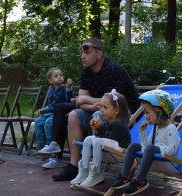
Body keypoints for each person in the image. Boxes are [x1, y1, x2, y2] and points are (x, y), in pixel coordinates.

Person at [52, 38, 140, 181]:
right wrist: (89, 103)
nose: (82, 56)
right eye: (82, 52)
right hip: (101, 111)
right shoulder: (87, 70)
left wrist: (86, 100)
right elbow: (80, 101)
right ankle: (74, 166)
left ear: (99, 54)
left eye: (87, 52)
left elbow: (111, 104)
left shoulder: (112, 69)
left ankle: (96, 171)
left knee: (99, 113)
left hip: (123, 116)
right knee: (73, 115)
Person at [110, 90, 178, 195]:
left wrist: (156, 149)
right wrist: (142, 132)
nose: (145, 116)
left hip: (168, 162)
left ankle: (140, 181)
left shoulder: (171, 128)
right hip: (153, 157)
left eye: (147, 112)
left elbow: (173, 149)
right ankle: (124, 176)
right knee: (133, 146)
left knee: (151, 148)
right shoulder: (156, 127)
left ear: (160, 112)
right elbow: (146, 146)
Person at [70, 90, 131, 188]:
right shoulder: (108, 121)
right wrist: (96, 128)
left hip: (118, 153)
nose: (101, 110)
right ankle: (85, 170)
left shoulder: (119, 124)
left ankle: (96, 173)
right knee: (88, 139)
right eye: (101, 106)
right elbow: (104, 139)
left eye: (105, 107)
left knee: (96, 140)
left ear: (116, 110)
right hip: (109, 151)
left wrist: (100, 128)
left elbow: (109, 140)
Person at [35, 67, 74, 168]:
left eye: (61, 75)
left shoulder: (65, 88)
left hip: (60, 114)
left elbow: (69, 99)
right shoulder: (51, 90)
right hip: (50, 112)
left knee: (48, 123)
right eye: (56, 76)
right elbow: (51, 103)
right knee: (38, 121)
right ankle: (42, 144)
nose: (60, 77)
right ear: (50, 80)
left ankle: (50, 145)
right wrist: (45, 109)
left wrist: (69, 88)